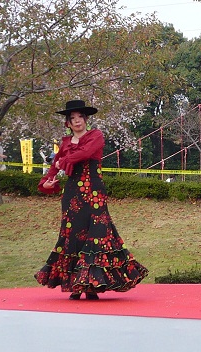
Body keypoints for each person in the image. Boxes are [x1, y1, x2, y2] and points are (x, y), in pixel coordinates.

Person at [35, 100, 148, 300]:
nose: (77, 121)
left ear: (86, 119)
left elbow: (85, 153)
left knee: (97, 234)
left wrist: (63, 161)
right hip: (72, 195)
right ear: (68, 123)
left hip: (94, 193)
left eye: (80, 117)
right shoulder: (65, 143)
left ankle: (92, 286)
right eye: (73, 118)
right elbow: (53, 168)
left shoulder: (95, 136)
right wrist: (47, 183)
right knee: (72, 237)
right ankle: (76, 285)